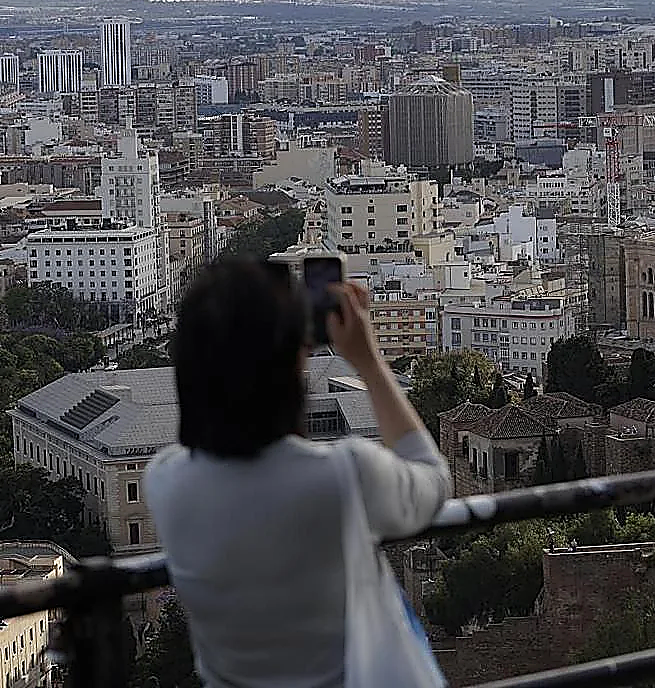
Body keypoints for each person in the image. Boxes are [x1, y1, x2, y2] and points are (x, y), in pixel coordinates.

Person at [146, 258, 450, 687]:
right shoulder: (341, 477)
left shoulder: (165, 482)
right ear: (293, 365)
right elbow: (433, 481)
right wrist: (369, 363)